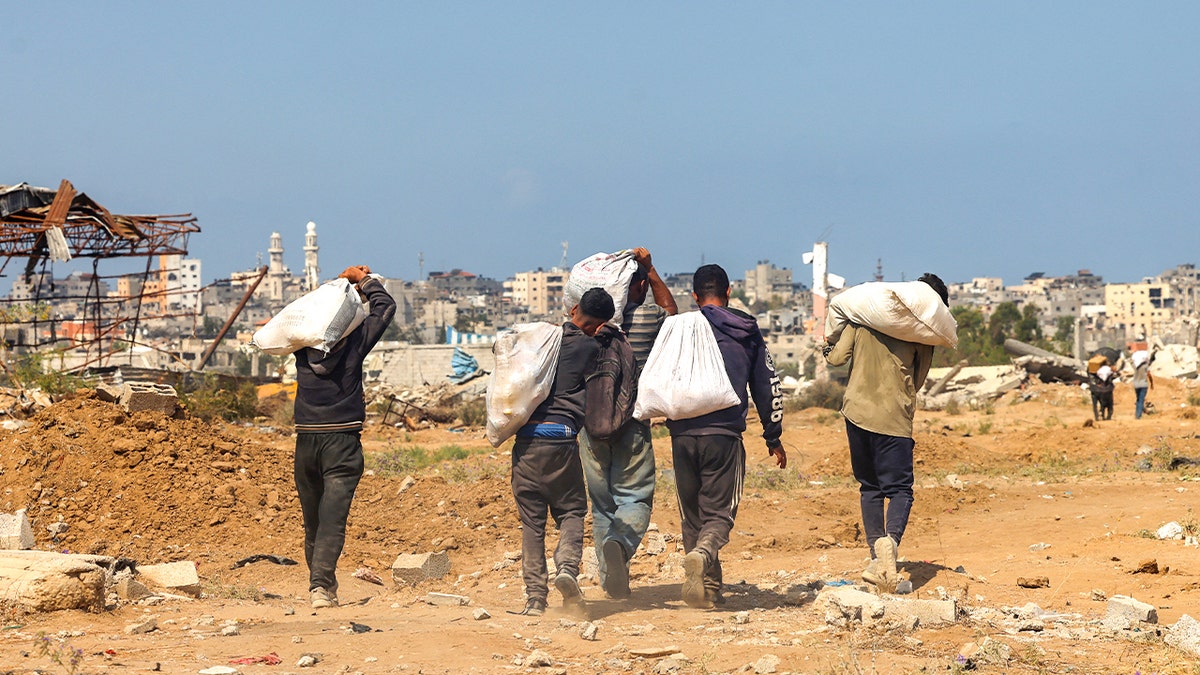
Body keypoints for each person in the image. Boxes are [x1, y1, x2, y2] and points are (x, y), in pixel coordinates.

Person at [667, 264, 785, 609]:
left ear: (694, 296)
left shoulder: (680, 329)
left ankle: (708, 590)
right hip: (724, 434)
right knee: (719, 513)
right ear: (729, 292)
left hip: (682, 432)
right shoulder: (745, 329)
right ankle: (703, 556)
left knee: (693, 514)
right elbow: (766, 384)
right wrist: (772, 435)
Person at [823, 272, 947, 593]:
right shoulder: (922, 332)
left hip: (857, 412)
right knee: (901, 489)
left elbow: (837, 358)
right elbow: (917, 381)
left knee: (870, 488)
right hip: (894, 418)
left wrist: (826, 348)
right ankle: (889, 545)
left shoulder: (865, 317)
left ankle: (877, 557)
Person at [293, 265, 396, 609]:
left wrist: (337, 285)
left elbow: (307, 310)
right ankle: (321, 588)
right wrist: (363, 283)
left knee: (314, 521)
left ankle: (321, 586)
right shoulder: (354, 343)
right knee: (332, 520)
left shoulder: (301, 346)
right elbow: (386, 308)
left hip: (305, 441)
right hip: (342, 442)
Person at [510, 287, 615, 616]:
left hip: (525, 442)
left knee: (532, 523)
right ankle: (568, 568)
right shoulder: (589, 347)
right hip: (560, 442)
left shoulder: (539, 343)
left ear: (573, 310)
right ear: (597, 325)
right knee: (570, 511)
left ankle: (535, 600)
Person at [580, 247, 678, 599]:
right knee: (635, 498)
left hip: (588, 428)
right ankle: (620, 546)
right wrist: (650, 270)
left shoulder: (582, 327)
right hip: (632, 423)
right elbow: (672, 311)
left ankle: (612, 585)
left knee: (603, 505)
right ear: (634, 287)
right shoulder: (647, 319)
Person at [1131, 350, 1154, 419]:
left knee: (1138, 399)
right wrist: (1152, 383)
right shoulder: (1145, 366)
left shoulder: (1135, 366)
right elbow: (1149, 374)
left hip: (1136, 384)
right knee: (1141, 399)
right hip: (1143, 384)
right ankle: (1138, 415)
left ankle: (1137, 414)